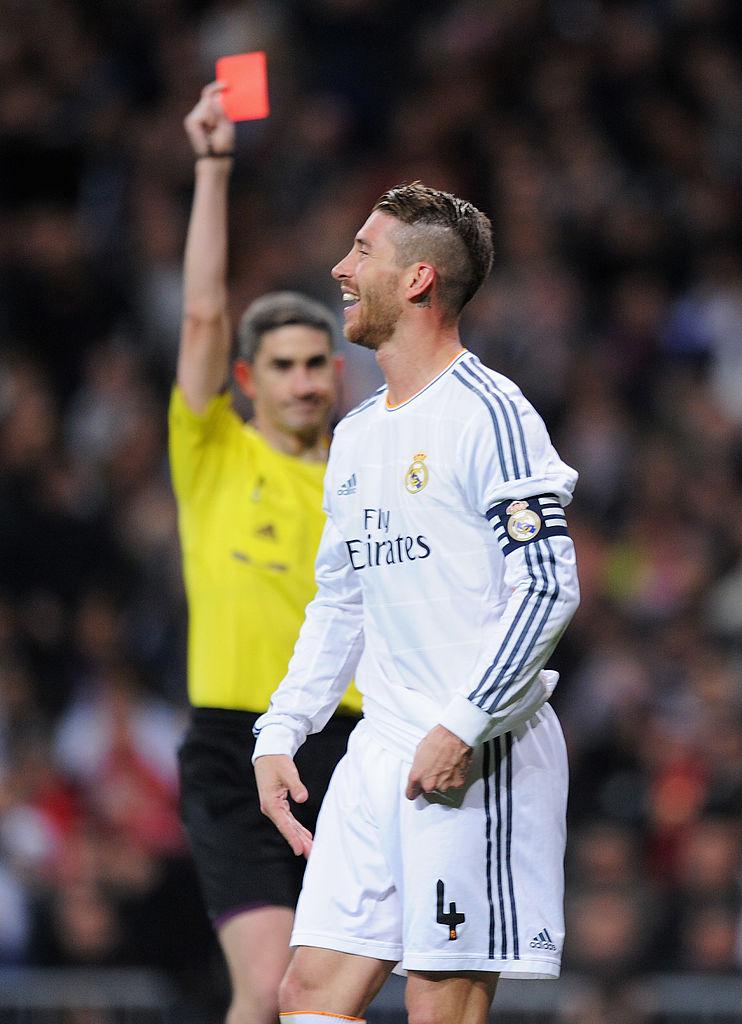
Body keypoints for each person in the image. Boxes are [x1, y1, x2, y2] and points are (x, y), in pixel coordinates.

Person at [253, 182, 581, 1024]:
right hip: (380, 751)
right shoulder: (357, 434)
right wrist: (282, 729)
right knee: (308, 995)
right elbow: (341, 600)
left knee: (440, 1005)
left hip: (475, 754)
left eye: (362, 251)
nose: (340, 268)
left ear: (418, 279)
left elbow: (548, 584)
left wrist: (462, 724)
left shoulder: (490, 415)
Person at [169, 83, 362, 1024]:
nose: (301, 381)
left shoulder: (371, 470)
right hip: (233, 739)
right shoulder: (215, 454)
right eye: (281, 365)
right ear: (246, 378)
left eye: (315, 363)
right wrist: (213, 167)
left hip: (353, 743)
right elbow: (203, 314)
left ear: (339, 371)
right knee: (267, 984)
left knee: (334, 992)